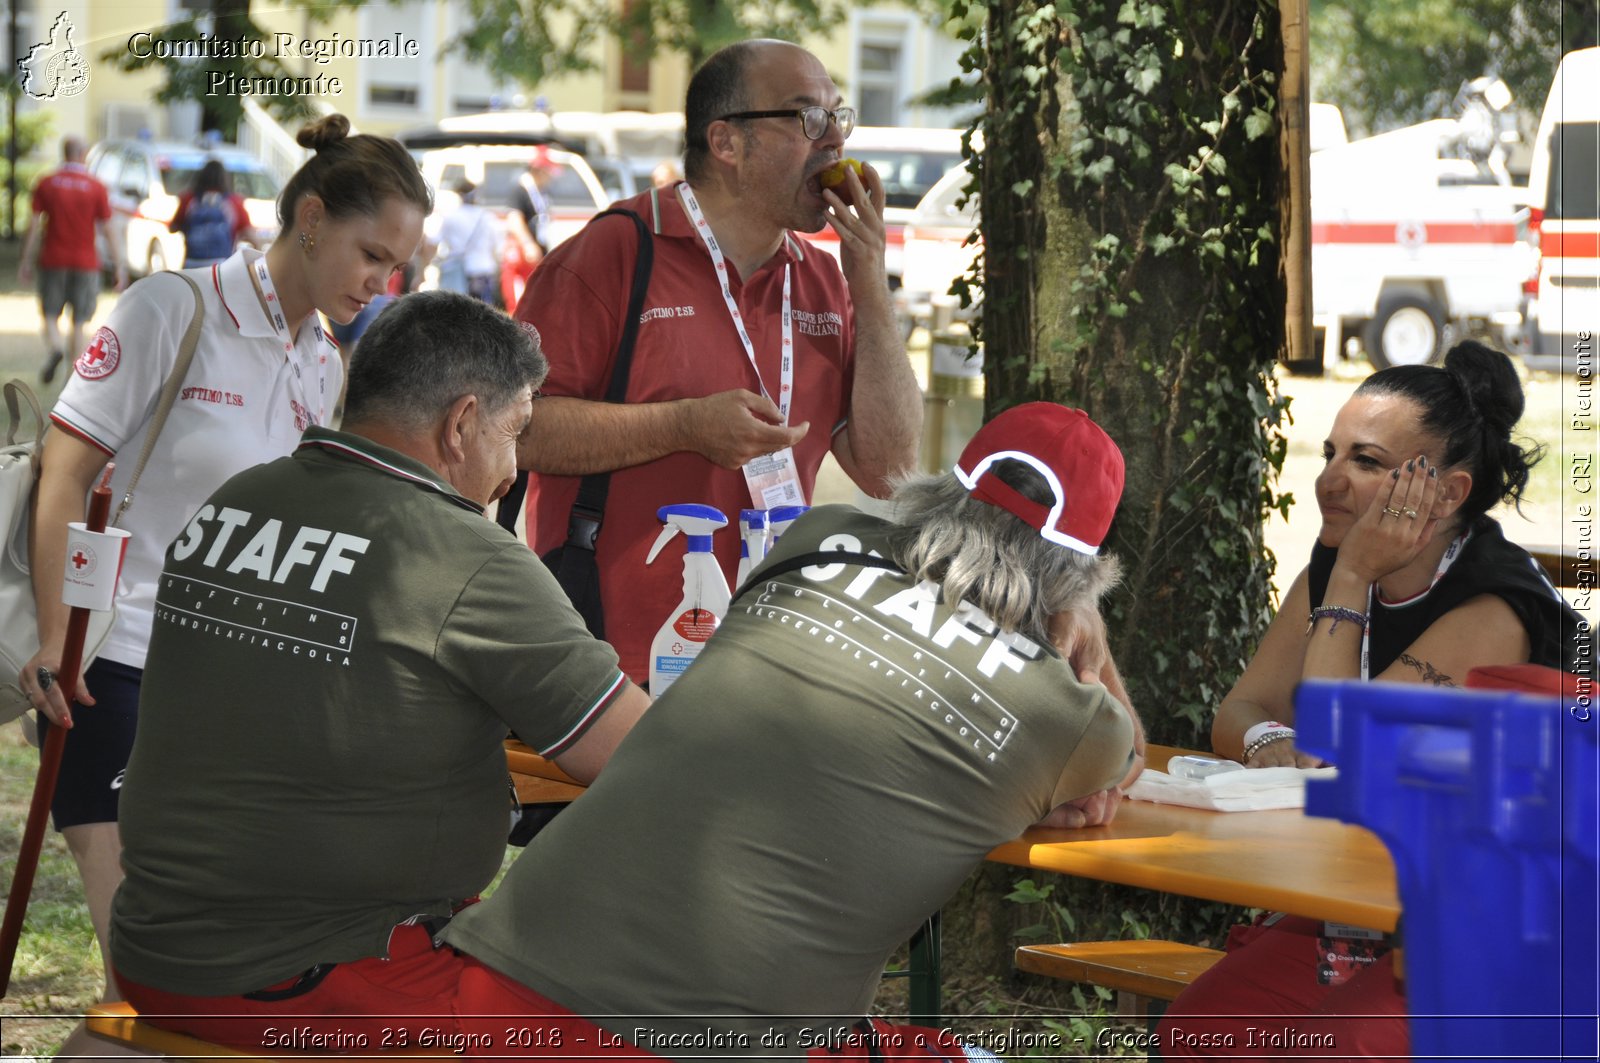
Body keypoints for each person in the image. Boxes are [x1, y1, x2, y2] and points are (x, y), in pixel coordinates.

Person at [438, 402, 1146, 1059]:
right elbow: (1130, 754)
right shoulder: (1068, 715)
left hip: (496, 991)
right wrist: (1088, 634)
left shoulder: (818, 539)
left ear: (945, 488)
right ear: (1083, 571)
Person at [103, 290, 650, 1045]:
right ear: (461, 424)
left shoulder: (239, 498)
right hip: (312, 977)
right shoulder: (462, 554)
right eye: (515, 431)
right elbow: (644, 757)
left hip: (154, 947)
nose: (512, 468)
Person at [14, 113, 431, 1057]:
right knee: (155, 979)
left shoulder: (325, 363)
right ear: (312, 218)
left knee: (180, 993)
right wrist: (56, 632)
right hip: (108, 671)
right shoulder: (174, 307)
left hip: (233, 696)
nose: (382, 283)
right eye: (373, 253)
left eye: (397, 265)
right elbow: (64, 475)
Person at [1158, 340, 1585, 1061]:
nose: (1328, 480)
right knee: (1196, 1035)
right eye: (1330, 452)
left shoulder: (1495, 608)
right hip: (1368, 911)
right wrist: (1270, 741)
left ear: (1447, 493)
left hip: (1510, 939)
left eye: (1366, 461)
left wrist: (1354, 573)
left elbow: (1338, 758)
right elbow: (1238, 711)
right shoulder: (1331, 564)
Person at [516, 38, 922, 684]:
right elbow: (518, 431)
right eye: (807, 118)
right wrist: (682, 427)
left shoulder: (825, 281)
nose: (834, 143)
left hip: (763, 654)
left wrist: (869, 281)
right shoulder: (615, 253)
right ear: (728, 144)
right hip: (611, 660)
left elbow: (890, 469)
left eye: (837, 119)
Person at [17, 135, 125, 384]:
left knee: (51, 314)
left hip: (52, 259)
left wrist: (25, 259)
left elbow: (33, 225)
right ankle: (71, 377)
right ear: (83, 154)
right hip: (86, 262)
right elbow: (108, 229)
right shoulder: (96, 186)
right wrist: (119, 265)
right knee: (79, 320)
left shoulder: (47, 183)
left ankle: (55, 348)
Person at [428, 177, 503, 304]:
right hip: (483, 269)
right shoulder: (487, 217)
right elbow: (497, 246)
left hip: (458, 271)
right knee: (483, 313)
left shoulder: (451, 217)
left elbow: (434, 242)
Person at [168, 157, 250, 268]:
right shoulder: (234, 202)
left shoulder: (189, 199)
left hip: (192, 264)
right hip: (221, 266)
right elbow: (249, 233)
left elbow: (172, 228)